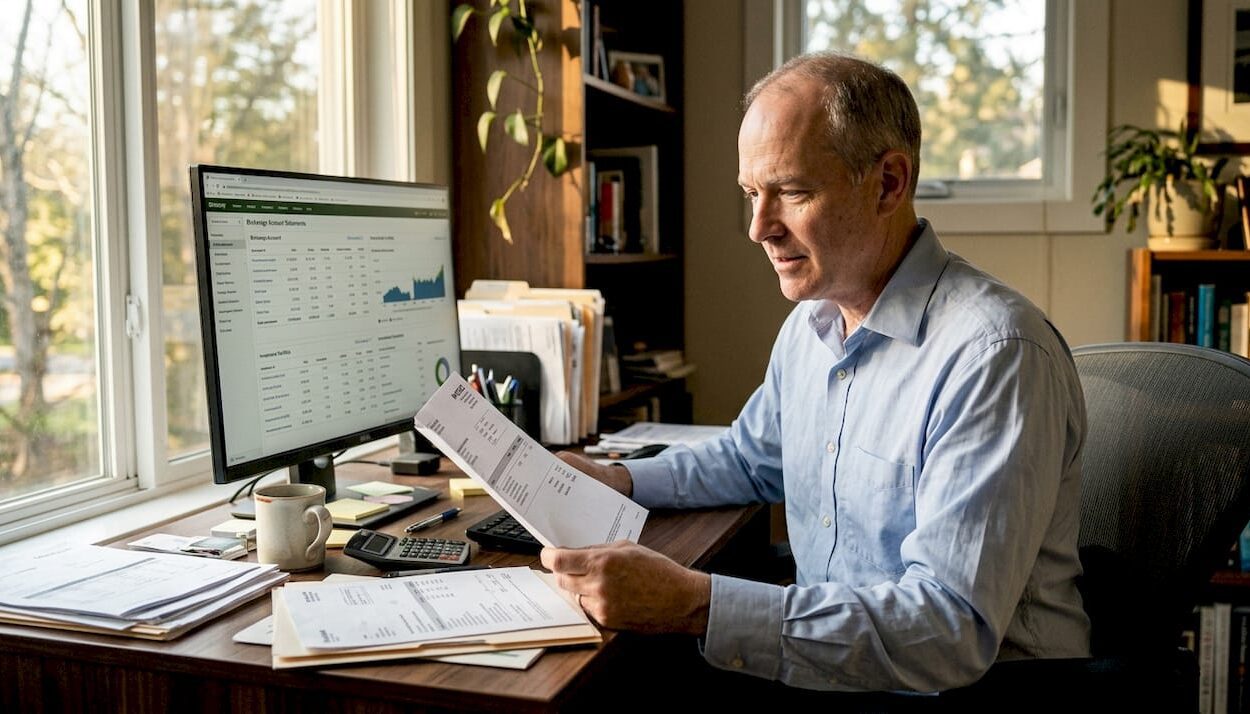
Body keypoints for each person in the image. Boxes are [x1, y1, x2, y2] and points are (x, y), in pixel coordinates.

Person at [542, 50, 1091, 696]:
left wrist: (696, 603)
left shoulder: (995, 355)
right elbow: (751, 458)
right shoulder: (814, 323)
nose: (758, 228)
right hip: (842, 664)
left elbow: (948, 628)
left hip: (967, 691)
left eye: (793, 192)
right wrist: (618, 480)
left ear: (889, 183)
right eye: (751, 194)